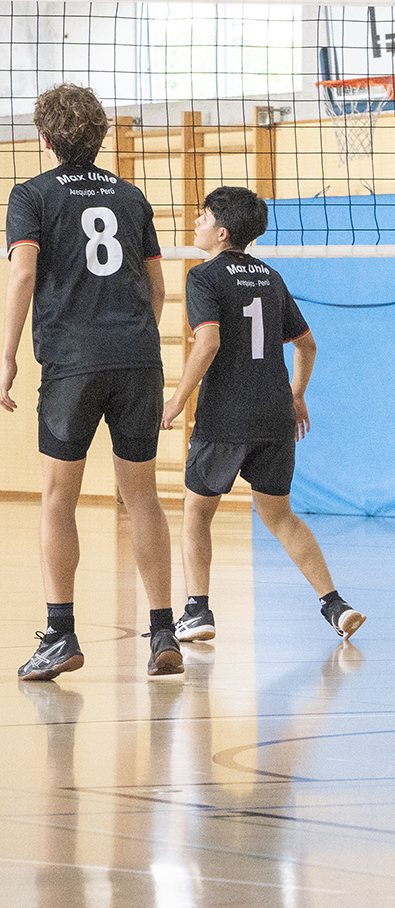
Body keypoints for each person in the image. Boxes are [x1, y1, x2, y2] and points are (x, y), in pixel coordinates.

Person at [0, 84, 180, 681]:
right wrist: (132, 340)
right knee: (143, 497)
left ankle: (60, 634)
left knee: (58, 498)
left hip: (72, 364)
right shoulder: (131, 196)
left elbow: (23, 274)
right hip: (138, 360)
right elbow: (156, 288)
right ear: (100, 135)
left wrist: (8, 357)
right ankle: (162, 632)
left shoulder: (31, 195)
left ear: (45, 138)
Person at [161, 187, 365, 645]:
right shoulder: (271, 277)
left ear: (222, 232)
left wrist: (176, 400)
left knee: (196, 512)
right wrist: (297, 395)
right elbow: (307, 344)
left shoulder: (204, 277)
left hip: (226, 416)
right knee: (280, 515)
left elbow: (208, 342)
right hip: (275, 415)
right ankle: (335, 604)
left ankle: (197, 611)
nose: (196, 221)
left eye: (204, 216)